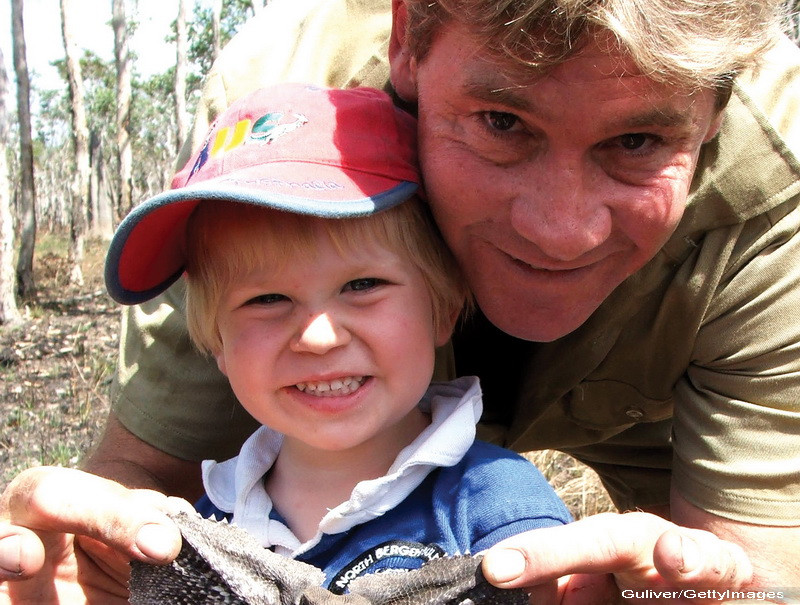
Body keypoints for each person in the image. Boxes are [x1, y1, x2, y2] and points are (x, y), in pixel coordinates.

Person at [2, 0, 799, 602]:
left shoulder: (775, 186)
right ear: (408, 36)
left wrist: (681, 589)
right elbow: (133, 491)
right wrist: (89, 566)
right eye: (501, 120)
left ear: (718, 110)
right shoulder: (275, 123)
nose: (562, 231)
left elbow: (746, 570)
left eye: (636, 143)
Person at [106, 82, 572, 590]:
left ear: (443, 306)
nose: (319, 337)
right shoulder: (202, 523)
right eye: (266, 300)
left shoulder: (498, 508)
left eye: (362, 285)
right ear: (216, 342)